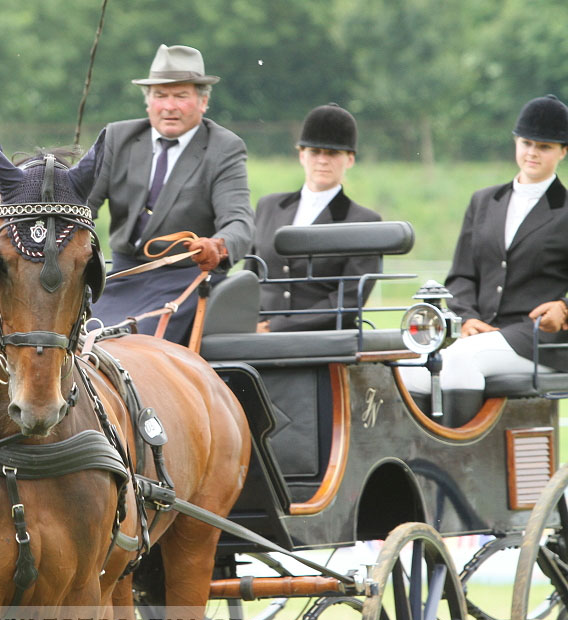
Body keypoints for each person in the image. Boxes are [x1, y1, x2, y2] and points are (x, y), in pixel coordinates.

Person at [400, 94, 568, 425]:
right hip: (481, 333)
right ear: (516, 142)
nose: (532, 152)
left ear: (563, 151)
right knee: (408, 372)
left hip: (537, 340)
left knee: (460, 359)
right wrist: (467, 317)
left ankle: (460, 464)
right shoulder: (483, 202)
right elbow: (461, 276)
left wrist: (564, 309)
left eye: (544, 147)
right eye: (526, 143)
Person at [86, 44, 254, 344]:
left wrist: (217, 246)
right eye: (160, 95)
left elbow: (240, 222)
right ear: (148, 102)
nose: (169, 106)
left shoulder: (223, 148)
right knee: (75, 339)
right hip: (121, 277)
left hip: (186, 279)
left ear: (203, 102)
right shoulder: (116, 137)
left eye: (181, 96)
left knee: (134, 345)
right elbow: (82, 204)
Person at [253, 104, 382, 332]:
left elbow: (350, 299)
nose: (322, 160)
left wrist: (278, 327)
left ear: (349, 159)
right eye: (315, 152)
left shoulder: (364, 222)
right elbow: (250, 277)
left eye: (332, 153)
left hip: (321, 339)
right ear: (302, 155)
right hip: (256, 334)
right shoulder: (268, 206)